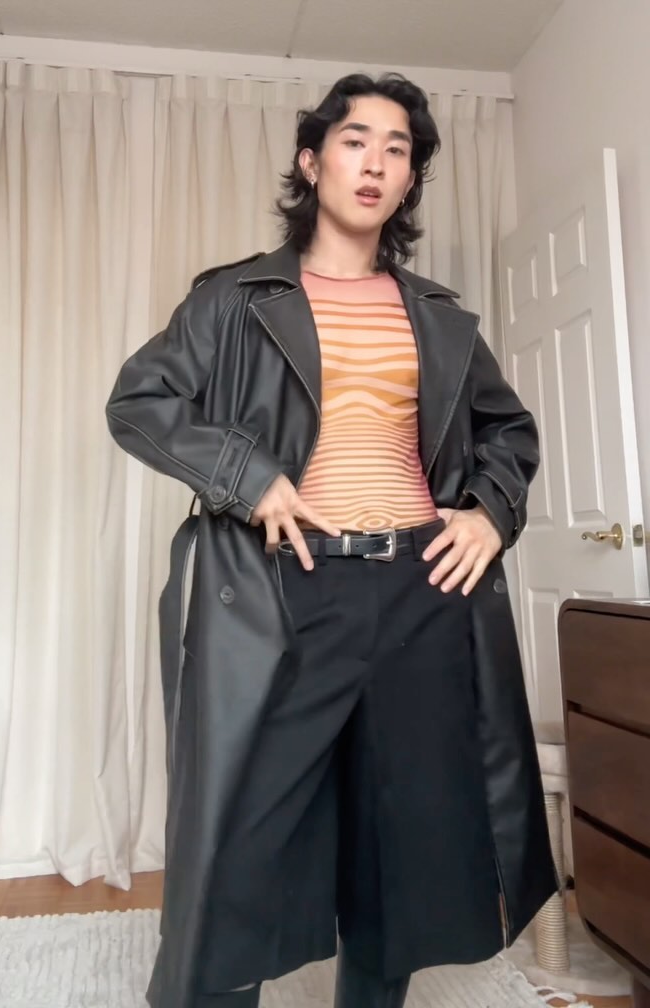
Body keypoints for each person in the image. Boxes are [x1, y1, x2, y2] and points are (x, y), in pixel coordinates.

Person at [106, 73, 556, 1008]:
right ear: (312, 163)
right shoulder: (236, 298)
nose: (376, 163)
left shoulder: (438, 314)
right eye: (356, 141)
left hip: (422, 590)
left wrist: (489, 512)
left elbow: (508, 431)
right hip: (288, 588)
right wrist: (247, 476)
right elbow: (139, 402)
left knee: (401, 855)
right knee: (241, 849)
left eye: (398, 150)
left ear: (408, 181)